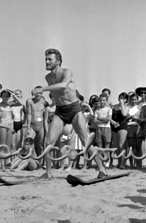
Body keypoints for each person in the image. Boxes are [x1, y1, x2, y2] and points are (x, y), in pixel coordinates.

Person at [39, 48, 107, 178]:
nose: (46, 62)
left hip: (73, 108)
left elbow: (63, 85)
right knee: (48, 142)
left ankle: (102, 169)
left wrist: (43, 88)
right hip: (60, 110)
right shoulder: (48, 77)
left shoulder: (67, 72)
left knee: (85, 140)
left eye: (49, 59)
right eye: (46, 59)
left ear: (58, 61)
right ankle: (48, 173)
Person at [25, 86, 46, 165]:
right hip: (33, 124)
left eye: (40, 93)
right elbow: (29, 114)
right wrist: (28, 127)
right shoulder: (29, 101)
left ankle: (41, 163)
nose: (38, 94)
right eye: (36, 93)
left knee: (41, 145)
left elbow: (45, 114)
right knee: (28, 143)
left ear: (42, 93)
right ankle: (31, 161)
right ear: (34, 93)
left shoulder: (43, 101)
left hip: (41, 125)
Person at [0, 90, 14, 170]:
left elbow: (18, 102)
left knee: (8, 146)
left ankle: (7, 164)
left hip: (10, 124)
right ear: (1, 97)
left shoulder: (11, 105)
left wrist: (12, 93)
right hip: (2, 124)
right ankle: (2, 164)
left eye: (7, 96)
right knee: (2, 145)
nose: (5, 97)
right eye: (3, 96)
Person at [94, 93, 113, 168]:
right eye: (101, 100)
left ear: (106, 101)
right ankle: (100, 162)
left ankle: (107, 161)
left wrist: (99, 118)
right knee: (99, 146)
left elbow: (108, 119)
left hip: (107, 128)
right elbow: (94, 121)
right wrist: (102, 119)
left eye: (104, 100)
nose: (102, 102)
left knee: (107, 145)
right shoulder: (97, 110)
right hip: (99, 128)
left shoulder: (109, 109)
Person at [110, 92, 129, 169]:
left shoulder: (126, 107)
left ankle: (123, 162)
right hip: (114, 126)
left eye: (124, 98)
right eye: (121, 97)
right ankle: (119, 161)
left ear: (126, 100)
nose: (122, 99)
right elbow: (109, 116)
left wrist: (122, 104)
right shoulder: (114, 107)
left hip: (122, 126)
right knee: (116, 145)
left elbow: (124, 114)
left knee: (121, 145)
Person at [126, 92, 142, 168]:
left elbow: (142, 118)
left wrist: (136, 119)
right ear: (130, 100)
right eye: (132, 100)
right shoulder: (127, 107)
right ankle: (131, 164)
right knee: (131, 147)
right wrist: (129, 117)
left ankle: (139, 163)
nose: (134, 101)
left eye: (135, 100)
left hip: (138, 127)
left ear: (137, 100)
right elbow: (125, 118)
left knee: (138, 147)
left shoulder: (140, 107)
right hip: (129, 127)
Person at [10, 89, 26, 155]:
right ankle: (12, 161)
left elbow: (26, 113)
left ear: (21, 95)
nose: (17, 96)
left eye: (18, 94)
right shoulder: (10, 104)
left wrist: (24, 121)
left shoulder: (22, 104)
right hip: (12, 124)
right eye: (15, 94)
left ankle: (18, 160)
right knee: (12, 145)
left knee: (19, 144)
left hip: (19, 124)